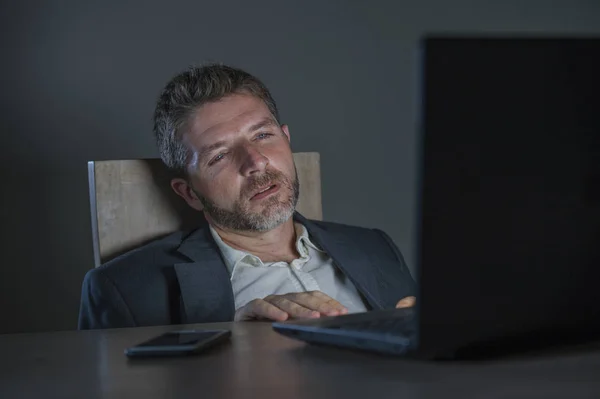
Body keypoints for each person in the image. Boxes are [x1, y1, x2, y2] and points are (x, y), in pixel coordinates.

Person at [78, 64, 417, 330]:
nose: (256, 163)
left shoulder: (375, 247)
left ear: (286, 141)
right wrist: (233, 348)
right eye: (220, 156)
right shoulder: (124, 290)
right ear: (189, 193)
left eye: (264, 135)